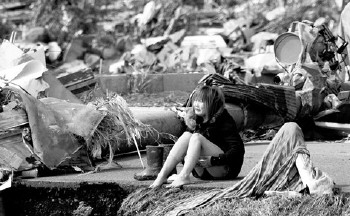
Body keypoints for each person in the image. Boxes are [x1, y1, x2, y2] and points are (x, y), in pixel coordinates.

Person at [150, 84, 245, 188]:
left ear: (212, 103)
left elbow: (238, 150)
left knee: (196, 137)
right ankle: (162, 175)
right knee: (187, 135)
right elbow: (185, 150)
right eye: (196, 100)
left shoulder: (224, 120)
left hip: (223, 169)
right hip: (201, 172)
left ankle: (183, 176)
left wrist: (214, 160)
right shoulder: (195, 119)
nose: (196, 104)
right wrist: (186, 159)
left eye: (201, 101)